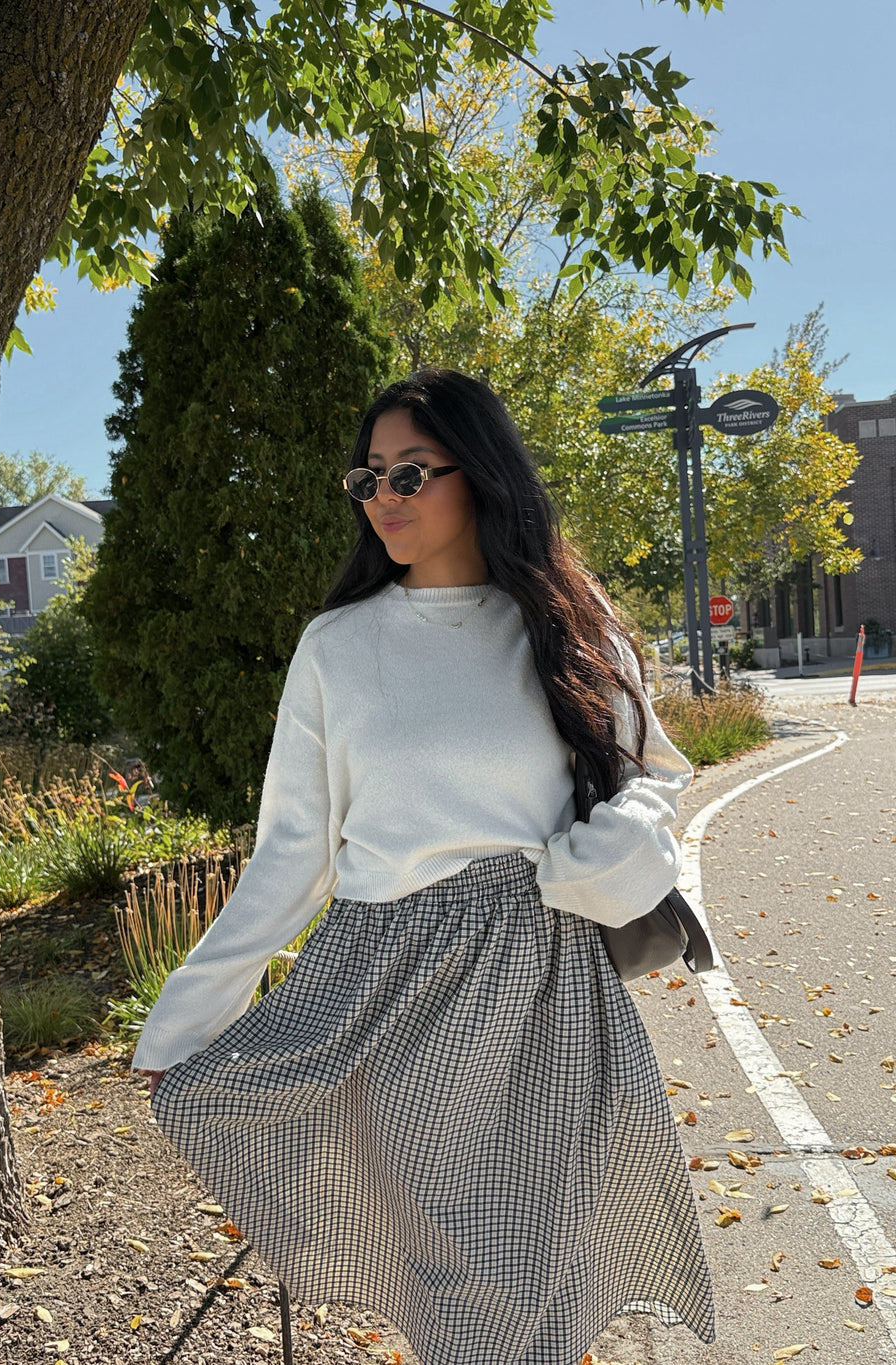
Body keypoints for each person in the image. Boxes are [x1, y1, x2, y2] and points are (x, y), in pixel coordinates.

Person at [132, 369, 715, 1364]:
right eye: (368, 480)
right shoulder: (339, 648)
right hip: (392, 981)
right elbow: (292, 856)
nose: (385, 499)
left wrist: (616, 841)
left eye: (410, 472)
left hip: (544, 976)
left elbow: (653, 770)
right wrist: (186, 1016)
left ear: (478, 472)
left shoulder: (569, 627)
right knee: (462, 1270)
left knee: (542, 1259)